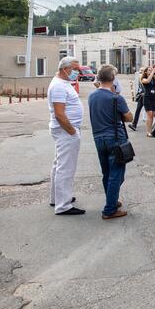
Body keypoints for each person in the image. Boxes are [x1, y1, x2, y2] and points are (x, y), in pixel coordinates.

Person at [88, 65, 133, 220]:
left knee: (107, 172)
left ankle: (111, 200)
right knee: (117, 174)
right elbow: (129, 118)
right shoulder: (116, 98)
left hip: (98, 137)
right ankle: (109, 209)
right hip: (115, 138)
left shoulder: (92, 96)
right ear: (113, 79)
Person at [48, 57, 85, 215]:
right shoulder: (58, 86)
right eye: (75, 69)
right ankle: (63, 205)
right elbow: (59, 114)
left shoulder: (62, 83)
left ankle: (57, 198)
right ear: (65, 69)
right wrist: (72, 131)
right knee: (66, 168)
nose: (78, 72)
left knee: (59, 165)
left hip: (65, 130)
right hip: (65, 130)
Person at [141, 65, 155, 137]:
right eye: (149, 70)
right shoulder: (144, 78)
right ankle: (148, 131)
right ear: (146, 72)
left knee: (152, 115)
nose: (150, 71)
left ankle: (151, 130)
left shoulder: (153, 78)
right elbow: (147, 81)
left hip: (153, 97)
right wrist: (153, 72)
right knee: (149, 115)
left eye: (151, 70)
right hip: (147, 98)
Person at [128, 67, 146, 131]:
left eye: (142, 71)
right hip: (141, 96)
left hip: (146, 97)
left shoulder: (145, 78)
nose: (140, 72)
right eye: (140, 71)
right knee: (138, 110)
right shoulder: (140, 77)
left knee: (152, 111)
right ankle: (134, 124)